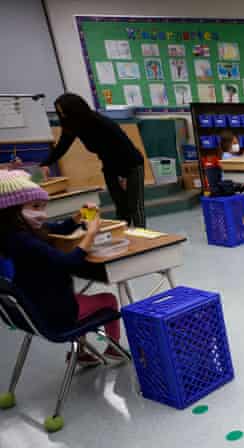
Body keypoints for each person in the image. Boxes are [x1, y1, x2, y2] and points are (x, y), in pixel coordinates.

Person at [0, 170, 125, 367]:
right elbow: (68, 263)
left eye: (43, 207)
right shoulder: (24, 241)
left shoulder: (14, 235)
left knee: (78, 297)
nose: (42, 213)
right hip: (56, 315)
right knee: (109, 300)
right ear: (12, 210)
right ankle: (114, 348)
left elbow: (53, 228)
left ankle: (81, 353)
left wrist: (77, 218)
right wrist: (90, 234)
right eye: (35, 207)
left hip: (36, 310)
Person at [40, 93, 146, 228]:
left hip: (131, 164)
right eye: (60, 113)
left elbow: (124, 148)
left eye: (63, 112)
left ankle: (143, 235)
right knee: (121, 207)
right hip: (110, 167)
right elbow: (62, 146)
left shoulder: (101, 123)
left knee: (135, 207)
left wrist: (123, 175)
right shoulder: (73, 125)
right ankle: (123, 235)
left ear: (74, 110)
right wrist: (45, 164)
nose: (62, 116)